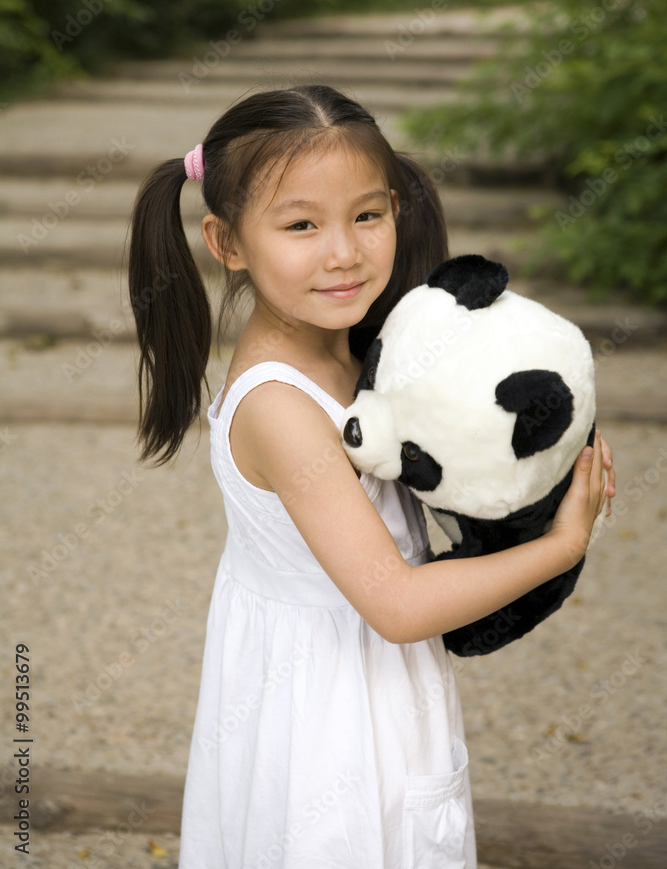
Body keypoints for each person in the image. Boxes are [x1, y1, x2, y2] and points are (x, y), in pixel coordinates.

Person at [127, 84, 615, 869]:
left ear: (397, 206)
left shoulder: (358, 344)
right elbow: (394, 604)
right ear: (227, 243)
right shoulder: (282, 408)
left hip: (358, 677)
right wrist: (559, 545)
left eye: (366, 215)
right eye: (300, 225)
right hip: (329, 710)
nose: (344, 252)